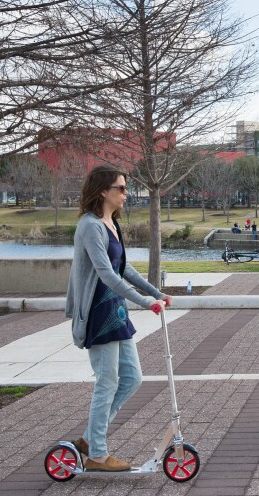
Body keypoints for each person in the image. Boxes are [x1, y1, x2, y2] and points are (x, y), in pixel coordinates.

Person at [65, 165, 172, 472]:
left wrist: (156, 292)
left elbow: (123, 267)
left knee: (132, 378)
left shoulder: (111, 223)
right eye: (121, 188)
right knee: (107, 381)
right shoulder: (89, 226)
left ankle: (88, 439)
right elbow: (105, 274)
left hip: (116, 311)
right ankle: (97, 454)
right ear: (103, 191)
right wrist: (145, 302)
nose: (126, 193)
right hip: (98, 314)